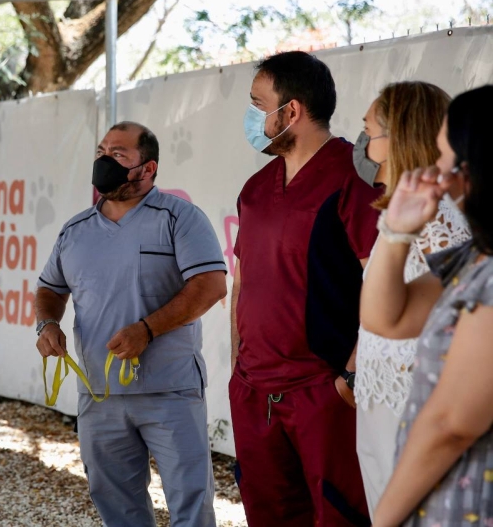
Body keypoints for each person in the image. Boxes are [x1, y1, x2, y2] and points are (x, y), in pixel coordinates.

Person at [35, 121, 227, 527]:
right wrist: (47, 324)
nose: (105, 161)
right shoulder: (75, 230)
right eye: (102, 152)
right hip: (99, 395)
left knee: (191, 503)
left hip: (170, 389)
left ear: (148, 169)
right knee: (115, 503)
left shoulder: (181, 218)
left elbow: (210, 286)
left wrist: (147, 330)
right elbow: (50, 289)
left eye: (118, 155)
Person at [229, 51, 380, 526]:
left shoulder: (353, 179)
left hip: (323, 394)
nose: (252, 116)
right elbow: (241, 284)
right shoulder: (255, 189)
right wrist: (238, 369)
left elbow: (386, 282)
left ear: (290, 111)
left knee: (338, 517)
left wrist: (350, 378)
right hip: (254, 395)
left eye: (258, 104)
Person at [364, 85, 493, 526]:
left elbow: (451, 425)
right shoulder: (477, 257)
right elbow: (387, 318)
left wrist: (383, 520)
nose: (438, 171)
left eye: (445, 156)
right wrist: (396, 232)